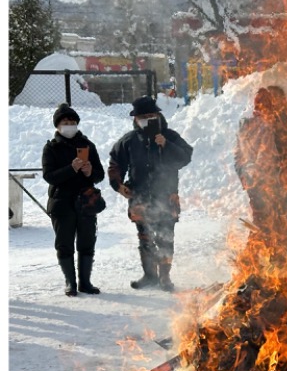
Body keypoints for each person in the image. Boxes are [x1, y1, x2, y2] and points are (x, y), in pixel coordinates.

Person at [108, 96, 193, 292]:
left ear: (158, 115)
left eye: (151, 115)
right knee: (145, 237)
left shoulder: (170, 136)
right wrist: (119, 185)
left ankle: (165, 277)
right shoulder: (128, 141)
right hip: (140, 197)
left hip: (166, 196)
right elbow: (115, 164)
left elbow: (185, 157)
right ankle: (149, 275)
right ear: (136, 119)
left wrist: (166, 145)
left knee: (165, 237)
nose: (147, 119)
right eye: (143, 116)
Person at [234, 86, 287, 254]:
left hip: (284, 182)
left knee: (285, 220)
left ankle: (278, 259)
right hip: (259, 185)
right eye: (260, 103)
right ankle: (250, 263)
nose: (260, 107)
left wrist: (277, 122)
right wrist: (246, 176)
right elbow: (239, 157)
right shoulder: (249, 125)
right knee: (263, 225)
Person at [42, 104, 105, 296]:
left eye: (72, 123)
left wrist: (90, 172)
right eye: (65, 123)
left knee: (87, 242)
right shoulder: (51, 147)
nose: (69, 126)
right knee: (64, 243)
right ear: (58, 126)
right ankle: (71, 282)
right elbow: (49, 176)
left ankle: (85, 282)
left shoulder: (88, 145)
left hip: (86, 203)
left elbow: (100, 174)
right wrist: (71, 168)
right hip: (62, 203)